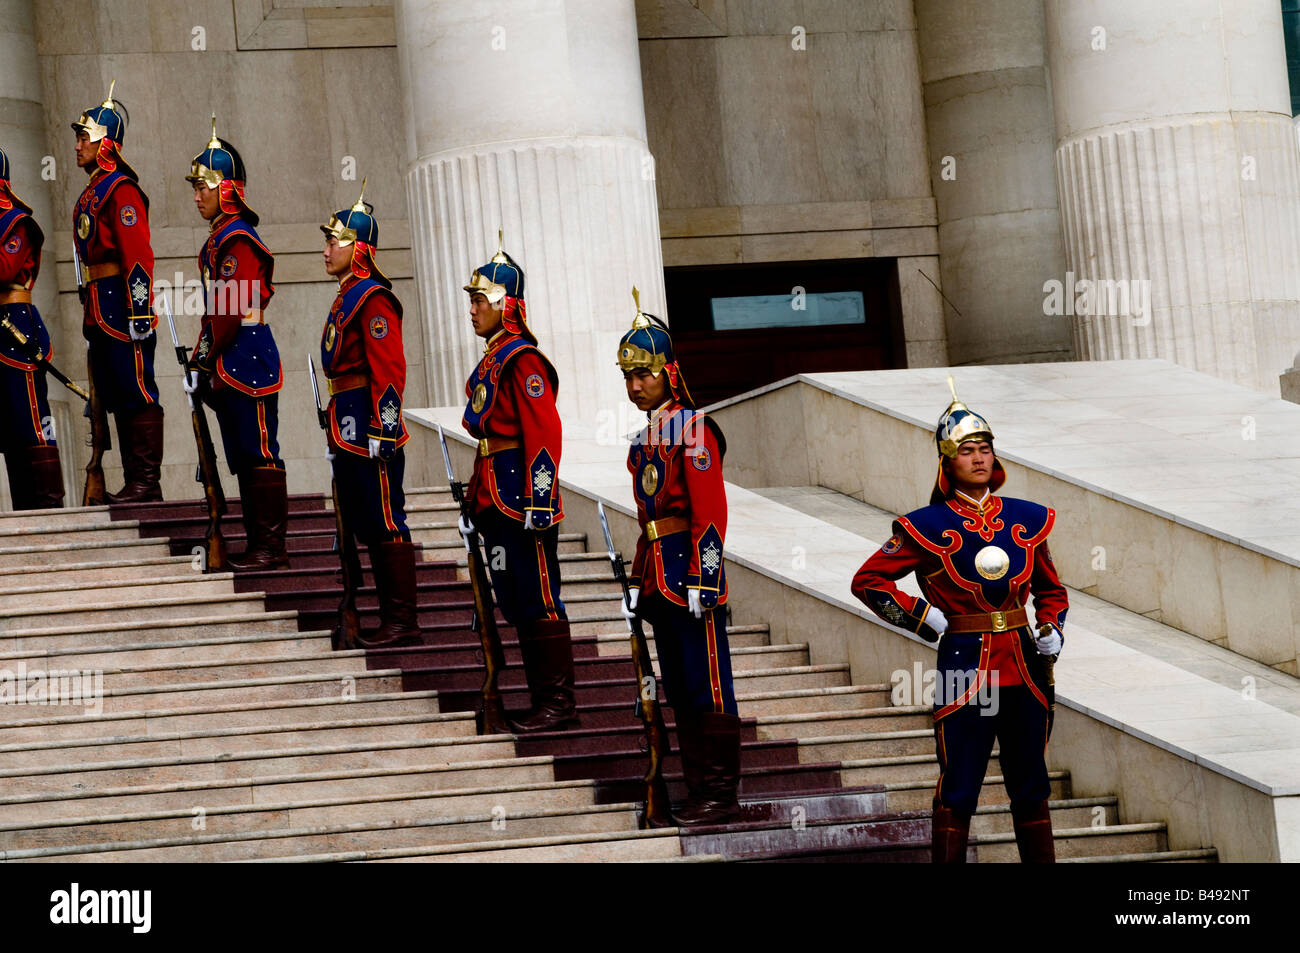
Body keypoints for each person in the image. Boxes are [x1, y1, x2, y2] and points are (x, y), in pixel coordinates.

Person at [850, 382, 1068, 862]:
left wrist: (1052, 627)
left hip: (1025, 666)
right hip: (966, 667)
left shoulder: (1028, 519)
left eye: (985, 449)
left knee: (1031, 783)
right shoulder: (925, 525)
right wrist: (925, 618)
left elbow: (1051, 589)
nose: (978, 459)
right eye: (967, 451)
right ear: (947, 461)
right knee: (960, 784)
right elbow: (868, 581)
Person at [617, 296, 741, 825]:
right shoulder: (646, 438)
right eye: (627, 376)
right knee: (679, 691)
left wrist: (704, 579)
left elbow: (709, 513)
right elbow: (652, 522)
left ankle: (719, 795)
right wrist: (639, 578)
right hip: (659, 581)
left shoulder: (694, 429)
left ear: (668, 372)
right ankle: (696, 791)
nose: (635, 385)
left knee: (706, 687)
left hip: (690, 582)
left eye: (643, 373)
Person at [459, 237, 574, 733]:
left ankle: (558, 704)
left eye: (480, 300)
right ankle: (539, 699)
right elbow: (488, 436)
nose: (472, 309)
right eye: (471, 300)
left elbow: (544, 434)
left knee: (537, 597)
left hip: (520, 501)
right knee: (511, 599)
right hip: (494, 495)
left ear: (504, 303)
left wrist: (541, 500)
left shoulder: (523, 360)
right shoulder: (492, 358)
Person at [183, 118, 287, 570]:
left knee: (258, 451)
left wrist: (202, 359)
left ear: (227, 188)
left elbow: (228, 310)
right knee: (243, 454)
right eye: (195, 187)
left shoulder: (238, 239)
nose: (197, 195)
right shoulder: (220, 239)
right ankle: (257, 545)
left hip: (246, 353)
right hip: (231, 354)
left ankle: (271, 549)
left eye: (204, 185)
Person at [319, 185, 420, 648]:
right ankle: (380, 614)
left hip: (370, 427)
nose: (325, 250)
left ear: (358, 248)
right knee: (362, 518)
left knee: (384, 517)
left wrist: (386, 426)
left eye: (334, 241)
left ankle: (401, 623)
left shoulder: (372, 298)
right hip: (347, 421)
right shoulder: (346, 297)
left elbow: (389, 368)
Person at [71, 82, 163, 503]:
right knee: (114, 394)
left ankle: (145, 483)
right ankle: (132, 482)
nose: (76, 145)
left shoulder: (121, 190)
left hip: (123, 308)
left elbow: (138, 255)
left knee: (135, 391)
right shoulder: (94, 190)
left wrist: (140, 311)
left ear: (105, 143)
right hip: (99, 306)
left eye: (84, 136)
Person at [0, 147, 63, 510]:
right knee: (9, 428)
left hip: (16, 327)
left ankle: (48, 509)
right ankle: (26, 510)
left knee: (32, 422)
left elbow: (5, 269)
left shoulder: (17, 221)